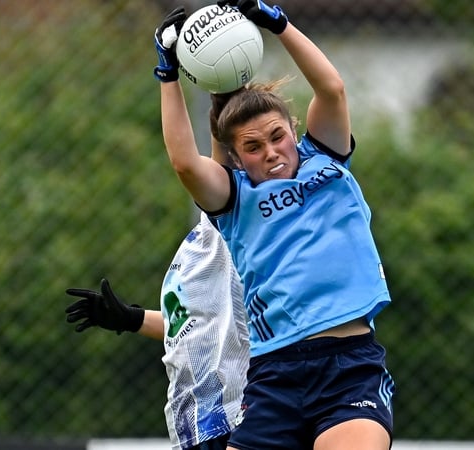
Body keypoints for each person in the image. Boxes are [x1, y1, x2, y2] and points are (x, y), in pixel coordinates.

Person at [153, 1, 396, 449]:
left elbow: (332, 89)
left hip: (348, 369)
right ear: (235, 155)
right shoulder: (234, 198)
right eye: (252, 146)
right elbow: (185, 164)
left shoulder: (325, 159)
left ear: (293, 126)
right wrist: (167, 74)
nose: (270, 151)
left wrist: (278, 24)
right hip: (274, 376)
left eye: (277, 135)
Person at [64, 98, 250, 450]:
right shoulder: (204, 237)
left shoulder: (237, 223)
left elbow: (191, 160)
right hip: (199, 424)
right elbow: (204, 327)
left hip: (237, 419)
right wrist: (133, 319)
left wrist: (193, 81)